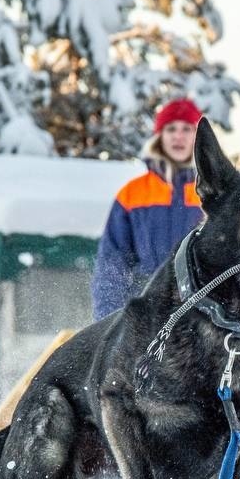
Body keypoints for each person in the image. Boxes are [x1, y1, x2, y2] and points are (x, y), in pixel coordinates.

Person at [90, 98, 204, 320]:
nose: (178, 136)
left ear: (198, 137)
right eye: (171, 128)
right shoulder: (132, 194)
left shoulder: (214, 193)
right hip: (146, 312)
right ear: (160, 136)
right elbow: (112, 263)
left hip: (201, 315)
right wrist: (108, 320)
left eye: (187, 129)